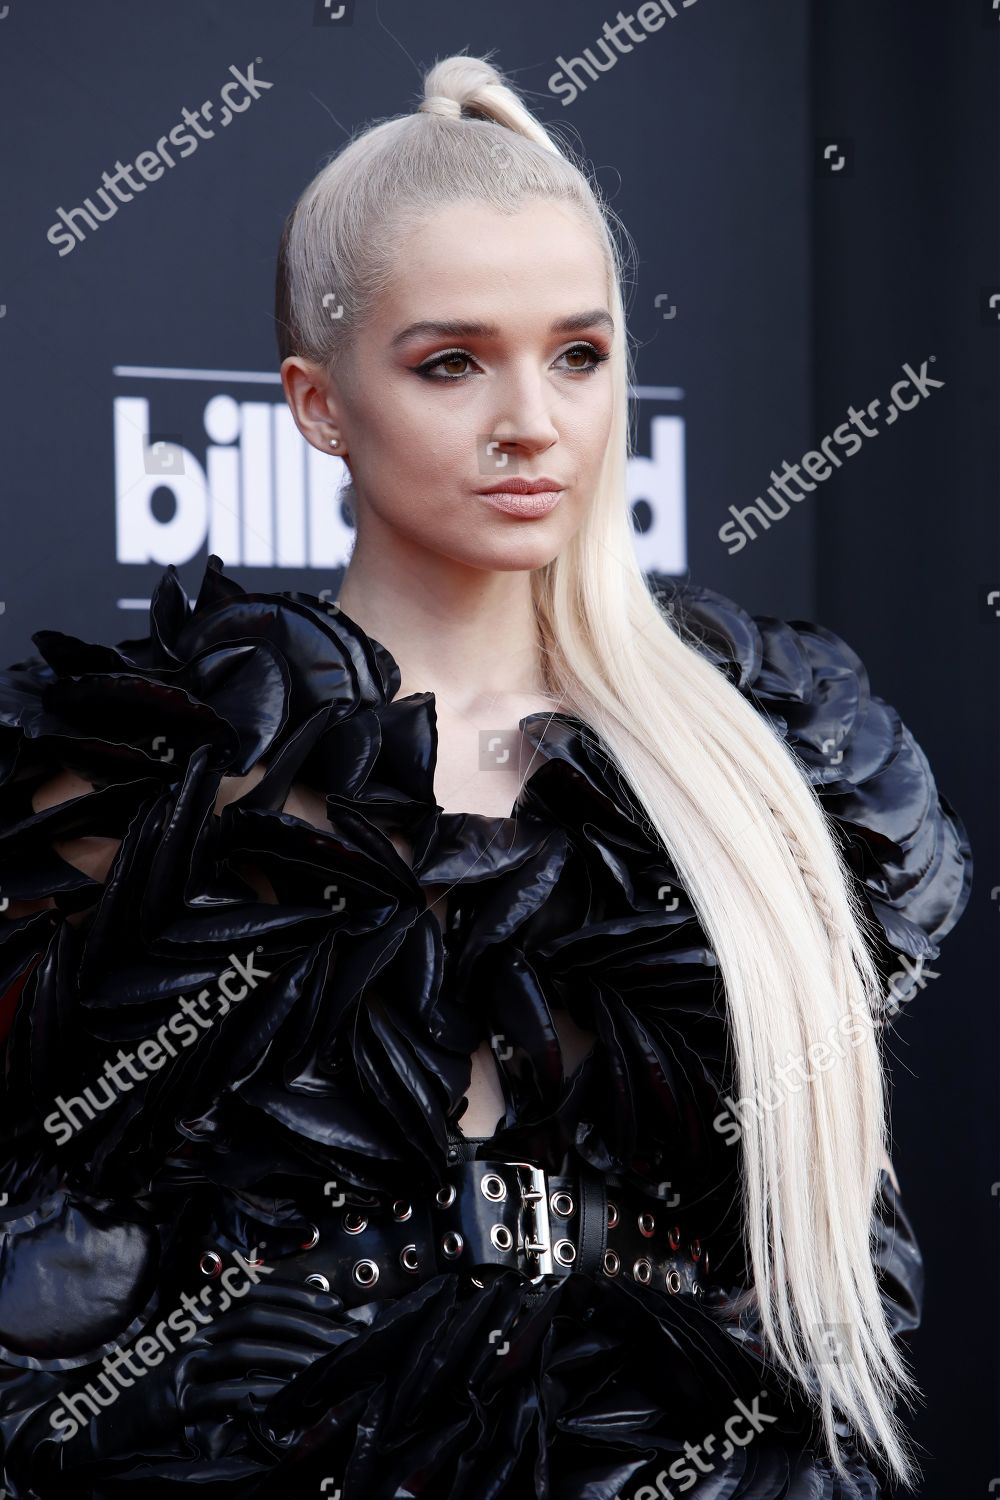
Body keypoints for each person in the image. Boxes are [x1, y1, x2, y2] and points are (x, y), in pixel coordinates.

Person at [0, 52, 972, 1500]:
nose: (536, 420)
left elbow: (831, 1278)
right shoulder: (169, 787)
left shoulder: (768, 759)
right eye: (452, 361)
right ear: (318, 404)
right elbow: (47, 1283)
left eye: (578, 354)